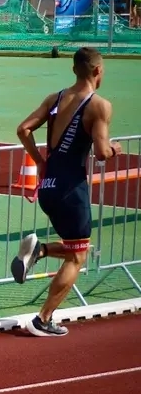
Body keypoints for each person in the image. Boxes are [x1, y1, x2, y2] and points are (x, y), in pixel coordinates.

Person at [12, 47, 120, 337]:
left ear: (74, 70)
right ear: (97, 71)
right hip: (72, 189)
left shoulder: (55, 99)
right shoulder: (99, 106)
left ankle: (41, 249)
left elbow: (23, 129)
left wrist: (39, 160)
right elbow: (100, 152)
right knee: (77, 258)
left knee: (77, 248)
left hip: (47, 187)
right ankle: (43, 319)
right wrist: (113, 149)